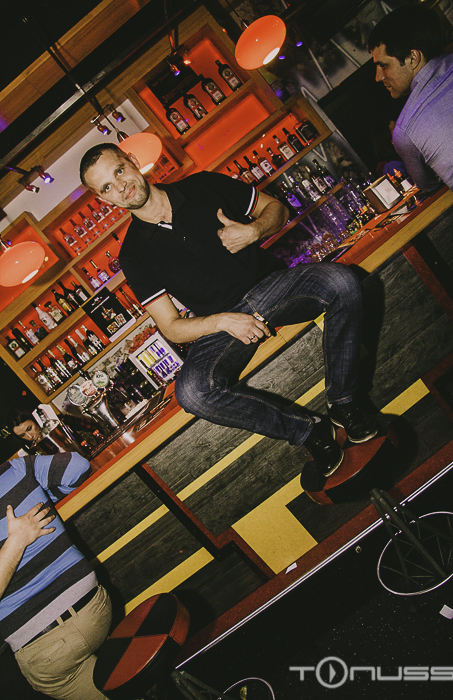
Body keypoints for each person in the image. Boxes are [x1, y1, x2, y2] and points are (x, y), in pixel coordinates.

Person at [80, 144, 378, 483]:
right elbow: (171, 327)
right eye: (107, 187)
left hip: (274, 288)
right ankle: (311, 432)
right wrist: (223, 321)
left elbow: (277, 209)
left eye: (119, 171)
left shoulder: (202, 185)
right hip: (222, 324)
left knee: (342, 282)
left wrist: (254, 230)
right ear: (104, 200)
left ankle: (344, 403)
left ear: (133, 161)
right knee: (192, 393)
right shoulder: (134, 254)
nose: (120, 187)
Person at [0, 451, 112, 699]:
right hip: (96, 608)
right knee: (117, 682)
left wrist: (17, 540)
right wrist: (42, 496)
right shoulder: (18, 469)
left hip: (44, 647)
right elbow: (78, 466)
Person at [368, 5, 453, 205]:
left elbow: (428, 185)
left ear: (412, 58)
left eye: (383, 65)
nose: (378, 77)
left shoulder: (405, 131)